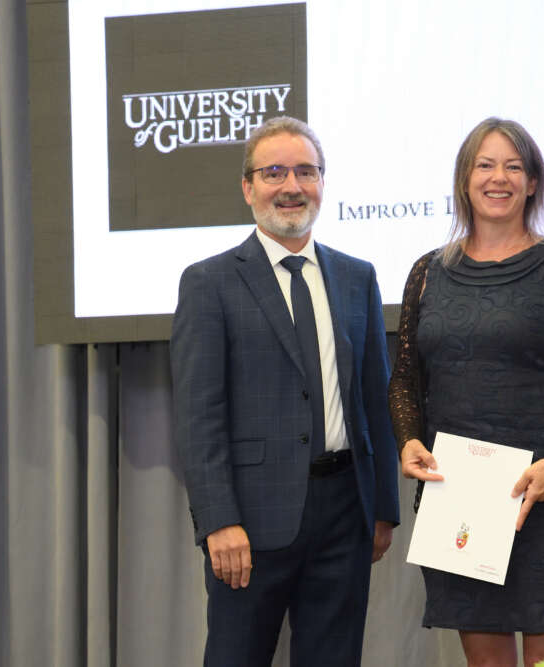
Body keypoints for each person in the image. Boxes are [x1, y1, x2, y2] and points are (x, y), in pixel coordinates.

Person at [170, 116, 400, 667]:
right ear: (248, 187)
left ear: (322, 182)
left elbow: (375, 399)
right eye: (273, 172)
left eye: (305, 171)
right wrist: (219, 520)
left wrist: (382, 508)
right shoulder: (209, 282)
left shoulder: (357, 277)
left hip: (346, 513)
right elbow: (199, 416)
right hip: (249, 523)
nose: (291, 186)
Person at [388, 117, 544, 667]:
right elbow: (405, 380)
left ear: (533, 182)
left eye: (514, 166)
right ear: (465, 179)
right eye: (485, 165)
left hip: (542, 493)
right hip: (459, 494)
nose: (499, 177)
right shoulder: (426, 273)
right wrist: (408, 440)